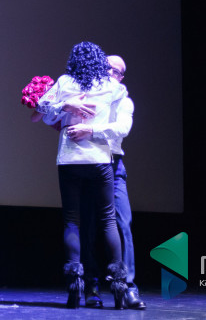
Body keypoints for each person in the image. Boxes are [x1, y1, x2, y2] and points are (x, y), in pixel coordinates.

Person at [35, 42, 129, 309]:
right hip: (99, 159)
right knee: (108, 220)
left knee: (72, 221)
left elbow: (42, 108)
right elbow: (119, 123)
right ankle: (119, 285)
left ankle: (75, 283)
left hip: (70, 159)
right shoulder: (112, 87)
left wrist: (65, 105)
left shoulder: (65, 82)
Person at [75, 55, 146, 309]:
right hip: (88, 164)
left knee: (123, 224)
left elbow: (122, 128)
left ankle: (127, 287)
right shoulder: (86, 96)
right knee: (89, 226)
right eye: (105, 68)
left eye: (114, 71)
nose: (108, 73)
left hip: (113, 165)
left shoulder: (123, 100)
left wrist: (92, 131)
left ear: (121, 76)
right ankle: (92, 286)